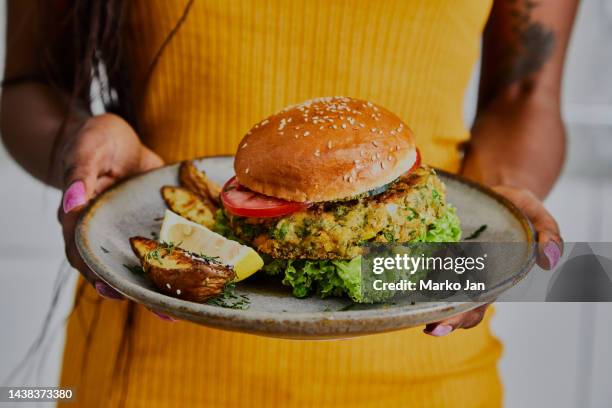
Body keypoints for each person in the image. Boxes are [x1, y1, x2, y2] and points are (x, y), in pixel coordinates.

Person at [1, 0, 577, 406]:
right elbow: (28, 82)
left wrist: (487, 210)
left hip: (428, 359)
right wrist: (79, 147)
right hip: (150, 353)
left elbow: (525, 93)